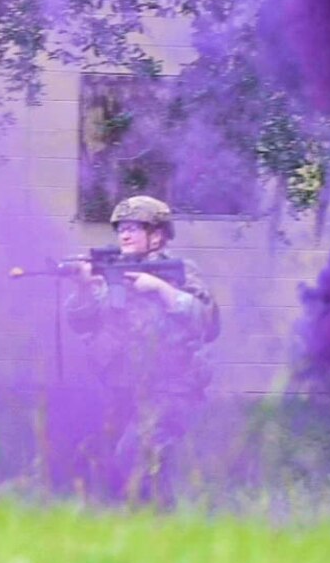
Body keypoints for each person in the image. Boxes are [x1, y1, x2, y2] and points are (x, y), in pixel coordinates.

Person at [65, 195, 218, 504]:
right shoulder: (112, 273)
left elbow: (209, 323)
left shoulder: (182, 273)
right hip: (126, 389)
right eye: (121, 228)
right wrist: (82, 286)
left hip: (172, 388)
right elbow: (81, 322)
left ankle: (160, 521)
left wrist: (161, 289)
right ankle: (158, 525)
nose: (124, 234)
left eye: (134, 228)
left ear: (157, 235)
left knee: (133, 454)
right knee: (119, 464)